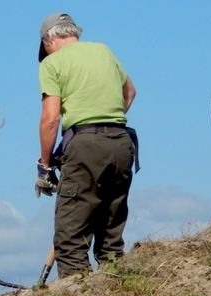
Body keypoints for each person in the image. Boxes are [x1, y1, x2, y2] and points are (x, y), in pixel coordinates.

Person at [34, 12, 138, 278]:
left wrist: (45, 167)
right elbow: (130, 92)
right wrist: (107, 119)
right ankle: (116, 290)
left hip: (84, 147)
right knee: (111, 232)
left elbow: (50, 119)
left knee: (70, 238)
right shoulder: (104, 51)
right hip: (121, 144)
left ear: (49, 40)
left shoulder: (52, 63)